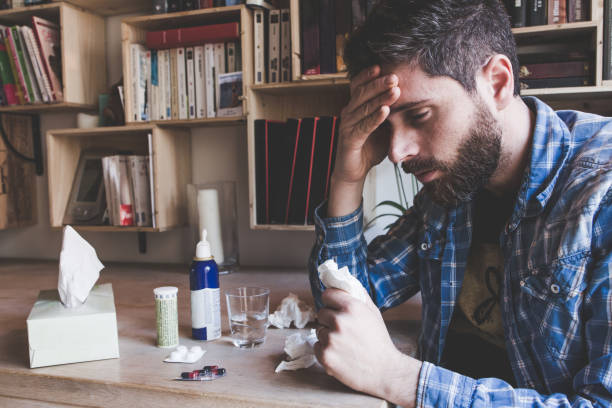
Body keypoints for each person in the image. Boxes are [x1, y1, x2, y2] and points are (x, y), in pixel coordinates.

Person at [307, 0, 612, 406]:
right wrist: (347, 177)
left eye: (418, 115)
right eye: (386, 125)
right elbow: (349, 298)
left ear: (498, 83)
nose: (397, 153)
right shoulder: (454, 186)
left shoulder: (600, 194)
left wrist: (395, 376)